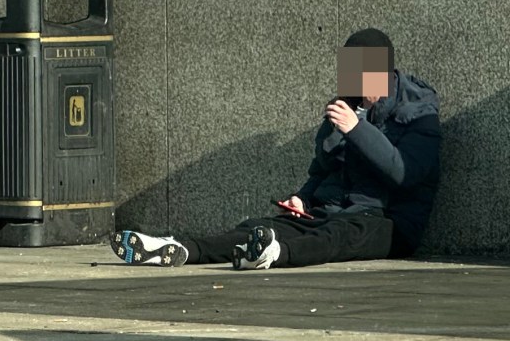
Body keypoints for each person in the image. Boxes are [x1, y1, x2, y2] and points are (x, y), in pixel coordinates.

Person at [110, 28, 441, 270]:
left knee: (338, 236)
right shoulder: (347, 107)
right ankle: (177, 247)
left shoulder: (418, 114)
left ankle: (272, 253)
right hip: (332, 210)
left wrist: (357, 129)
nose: (353, 81)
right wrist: (303, 199)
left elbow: (404, 173)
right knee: (257, 226)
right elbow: (323, 172)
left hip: (388, 223)